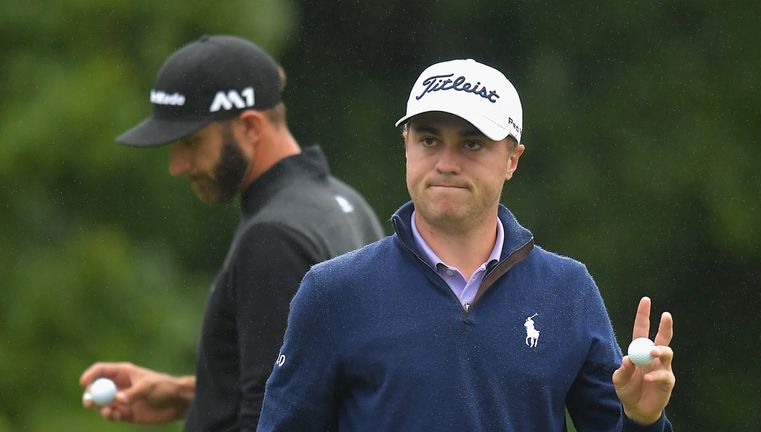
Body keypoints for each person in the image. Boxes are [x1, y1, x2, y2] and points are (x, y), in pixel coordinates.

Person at [257, 59, 675, 431]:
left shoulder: (567, 291)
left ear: (513, 159)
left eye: (472, 144)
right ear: (406, 146)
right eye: (429, 140)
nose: (446, 163)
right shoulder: (333, 292)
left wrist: (643, 421)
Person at [79, 35, 384, 431]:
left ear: (250, 127)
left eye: (191, 142)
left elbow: (273, 417)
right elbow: (319, 389)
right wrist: (194, 395)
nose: (177, 165)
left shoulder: (274, 237)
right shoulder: (343, 202)